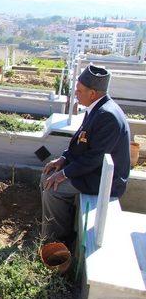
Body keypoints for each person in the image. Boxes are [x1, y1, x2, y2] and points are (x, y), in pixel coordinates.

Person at [41, 65, 130, 244]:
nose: (76, 93)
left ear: (93, 93)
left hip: (104, 178)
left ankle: (56, 241)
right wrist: (63, 159)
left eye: (80, 90)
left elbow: (95, 157)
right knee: (46, 176)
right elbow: (81, 144)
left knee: (53, 189)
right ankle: (52, 226)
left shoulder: (107, 116)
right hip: (92, 170)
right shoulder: (97, 108)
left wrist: (64, 174)